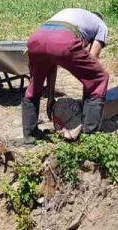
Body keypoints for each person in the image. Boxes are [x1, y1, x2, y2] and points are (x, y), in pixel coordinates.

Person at [22, 8, 110, 142]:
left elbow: (51, 67)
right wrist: (87, 94)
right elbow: (93, 58)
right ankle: (90, 136)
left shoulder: (73, 14)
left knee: (34, 86)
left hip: (37, 39)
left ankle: (29, 136)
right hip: (64, 39)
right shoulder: (101, 25)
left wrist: (51, 99)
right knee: (98, 78)